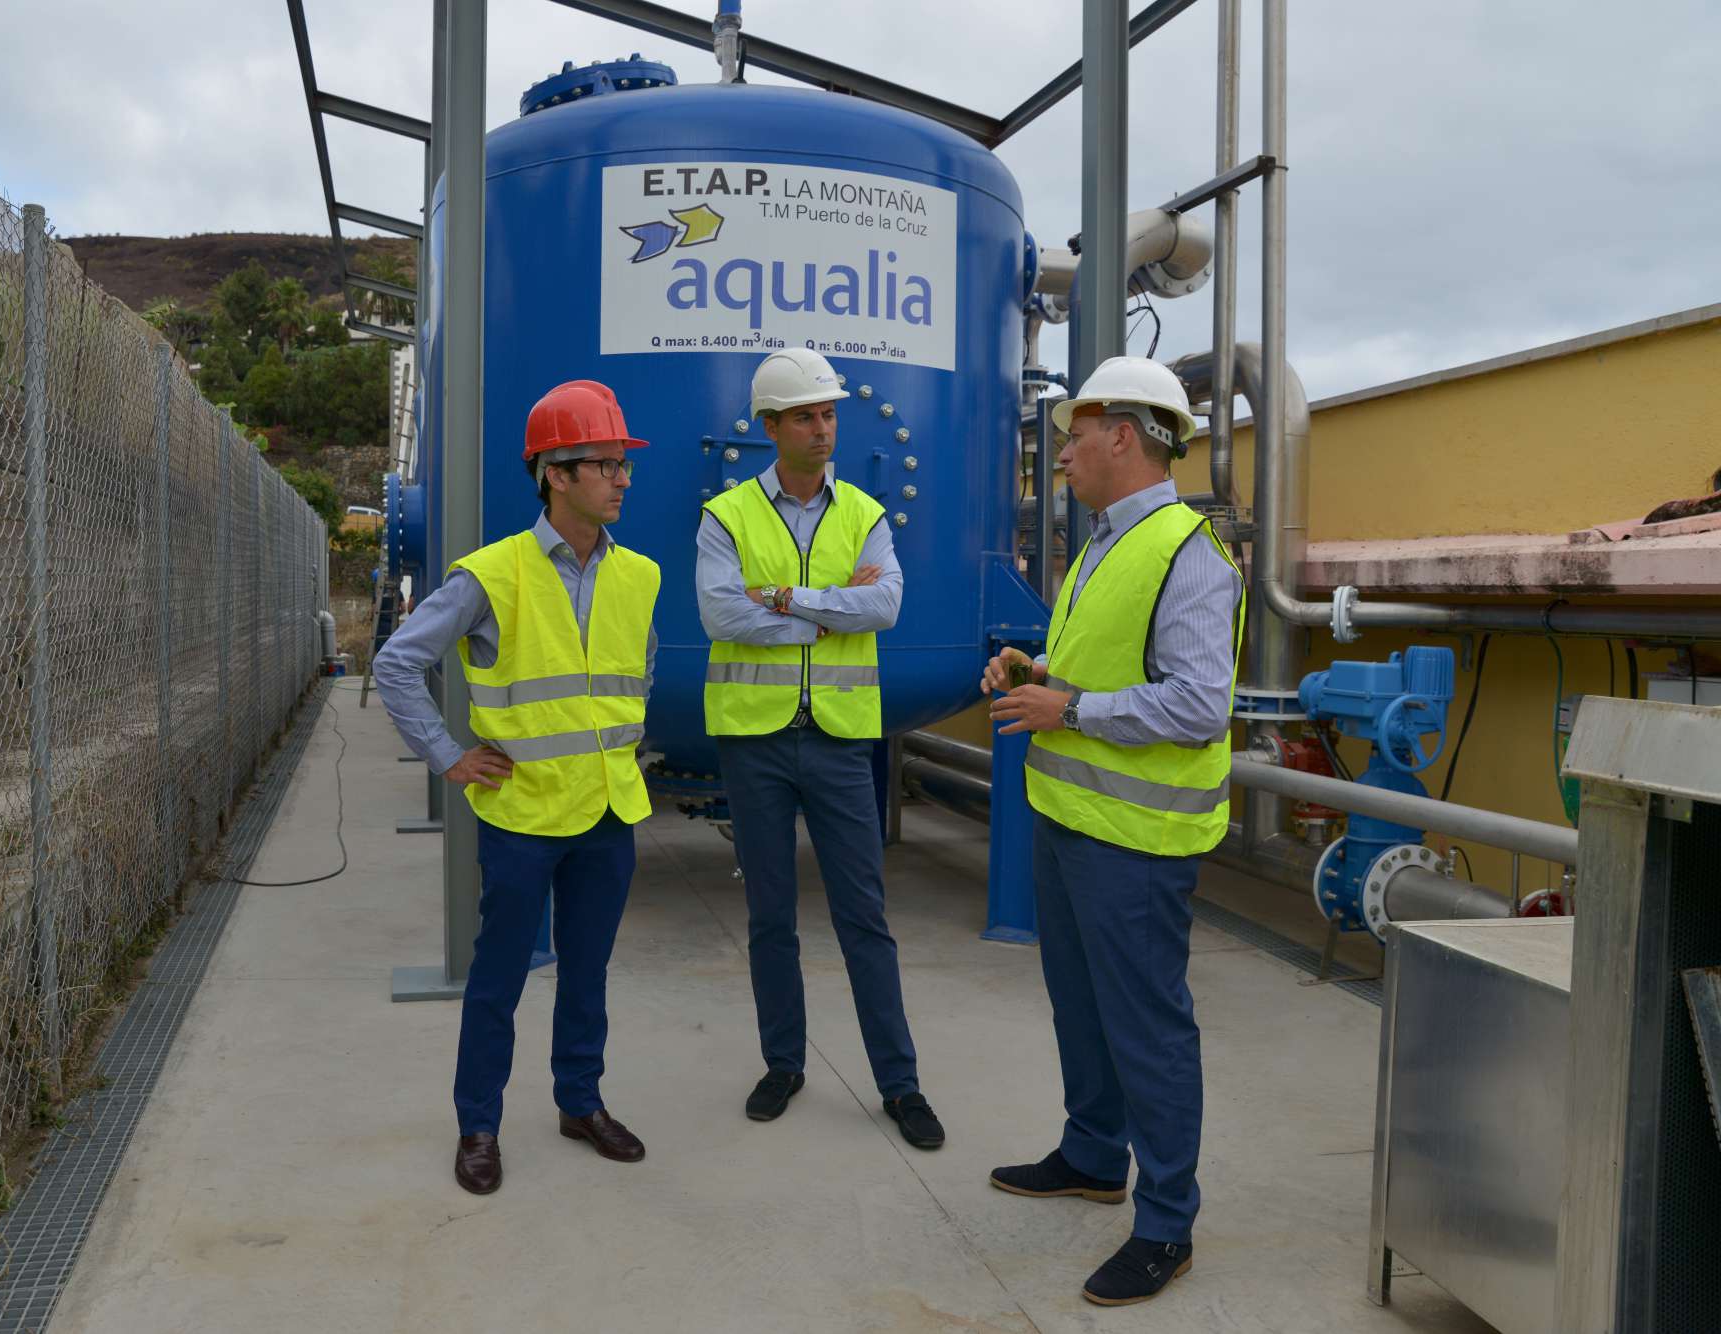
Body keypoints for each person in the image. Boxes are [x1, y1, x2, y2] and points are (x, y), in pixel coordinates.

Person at [981, 355, 1243, 1307]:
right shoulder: (1102, 543)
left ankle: (1166, 1223)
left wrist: (1073, 709)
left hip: (1136, 841)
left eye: (1076, 436)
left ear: (1123, 436)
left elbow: (1200, 705)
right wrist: (1037, 671)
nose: (1062, 455)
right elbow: (1102, 664)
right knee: (1081, 1007)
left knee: (1148, 1029)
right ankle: (1094, 1155)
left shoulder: (1189, 553)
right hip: (1069, 819)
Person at [372, 380, 659, 1196]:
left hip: (608, 813)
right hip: (524, 816)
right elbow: (397, 662)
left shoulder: (639, 575)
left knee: (589, 975)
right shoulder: (492, 574)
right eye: (605, 464)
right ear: (555, 474)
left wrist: (624, 752)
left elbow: (638, 673)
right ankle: (479, 1125)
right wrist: (447, 756)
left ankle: (580, 1103)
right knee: (497, 980)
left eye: (624, 464)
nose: (622, 478)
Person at [696, 347, 945, 1149]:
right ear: (770, 427)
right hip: (755, 741)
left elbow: (887, 606)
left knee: (863, 916)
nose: (823, 427)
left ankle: (900, 1084)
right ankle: (784, 1064)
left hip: (841, 742)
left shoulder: (864, 512)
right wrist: (829, 614)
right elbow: (720, 615)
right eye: (805, 415)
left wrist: (785, 598)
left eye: (829, 413)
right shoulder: (726, 515)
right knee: (770, 916)